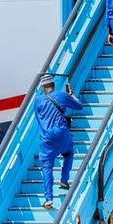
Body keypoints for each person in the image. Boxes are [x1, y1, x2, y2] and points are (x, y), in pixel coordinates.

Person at [34, 74, 83, 209]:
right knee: (69, 154)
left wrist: (45, 132)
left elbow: (38, 119)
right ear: (53, 84)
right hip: (62, 133)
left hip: (47, 138)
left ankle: (49, 198)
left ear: (43, 87)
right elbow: (79, 106)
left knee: (47, 167)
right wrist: (72, 96)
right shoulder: (62, 95)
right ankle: (64, 180)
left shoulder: (38, 100)